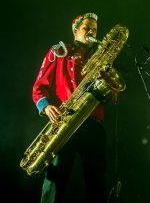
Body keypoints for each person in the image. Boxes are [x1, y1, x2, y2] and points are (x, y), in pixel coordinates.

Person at [32, 12, 108, 203]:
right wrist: (46, 106)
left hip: (92, 123)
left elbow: (109, 94)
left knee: (97, 181)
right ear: (75, 31)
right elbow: (39, 87)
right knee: (55, 180)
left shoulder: (100, 59)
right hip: (64, 121)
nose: (91, 32)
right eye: (86, 28)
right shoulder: (60, 51)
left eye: (94, 29)